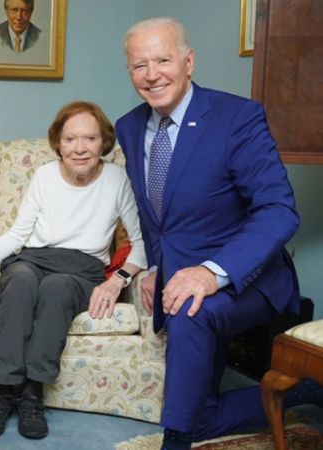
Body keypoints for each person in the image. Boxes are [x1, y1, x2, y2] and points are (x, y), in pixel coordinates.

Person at [117, 17, 322, 449]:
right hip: (179, 276)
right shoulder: (130, 127)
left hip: (248, 277)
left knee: (190, 308)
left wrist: (211, 273)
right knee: (200, 417)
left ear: (189, 62)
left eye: (163, 59)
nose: (152, 74)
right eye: (139, 65)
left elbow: (280, 211)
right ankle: (301, 392)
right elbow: (157, 216)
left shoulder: (236, 118)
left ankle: (173, 443)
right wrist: (156, 267)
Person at [0, 101, 147, 440]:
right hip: (33, 257)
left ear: (103, 143)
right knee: (18, 280)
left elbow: (141, 241)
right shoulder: (45, 175)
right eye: (70, 139)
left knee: (57, 289)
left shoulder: (117, 178)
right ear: (58, 143)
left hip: (82, 268)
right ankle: (3, 391)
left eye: (90, 139)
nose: (80, 148)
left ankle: (33, 393)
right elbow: (18, 234)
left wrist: (117, 281)